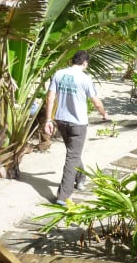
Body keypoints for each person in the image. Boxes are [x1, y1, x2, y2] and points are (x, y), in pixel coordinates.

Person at [41, 50, 107, 204]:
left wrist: (48, 120)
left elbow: (50, 98)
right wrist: (104, 114)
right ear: (85, 63)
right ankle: (63, 195)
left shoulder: (59, 74)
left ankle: (81, 178)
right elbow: (96, 103)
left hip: (61, 121)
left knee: (73, 153)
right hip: (78, 123)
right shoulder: (85, 78)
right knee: (72, 157)